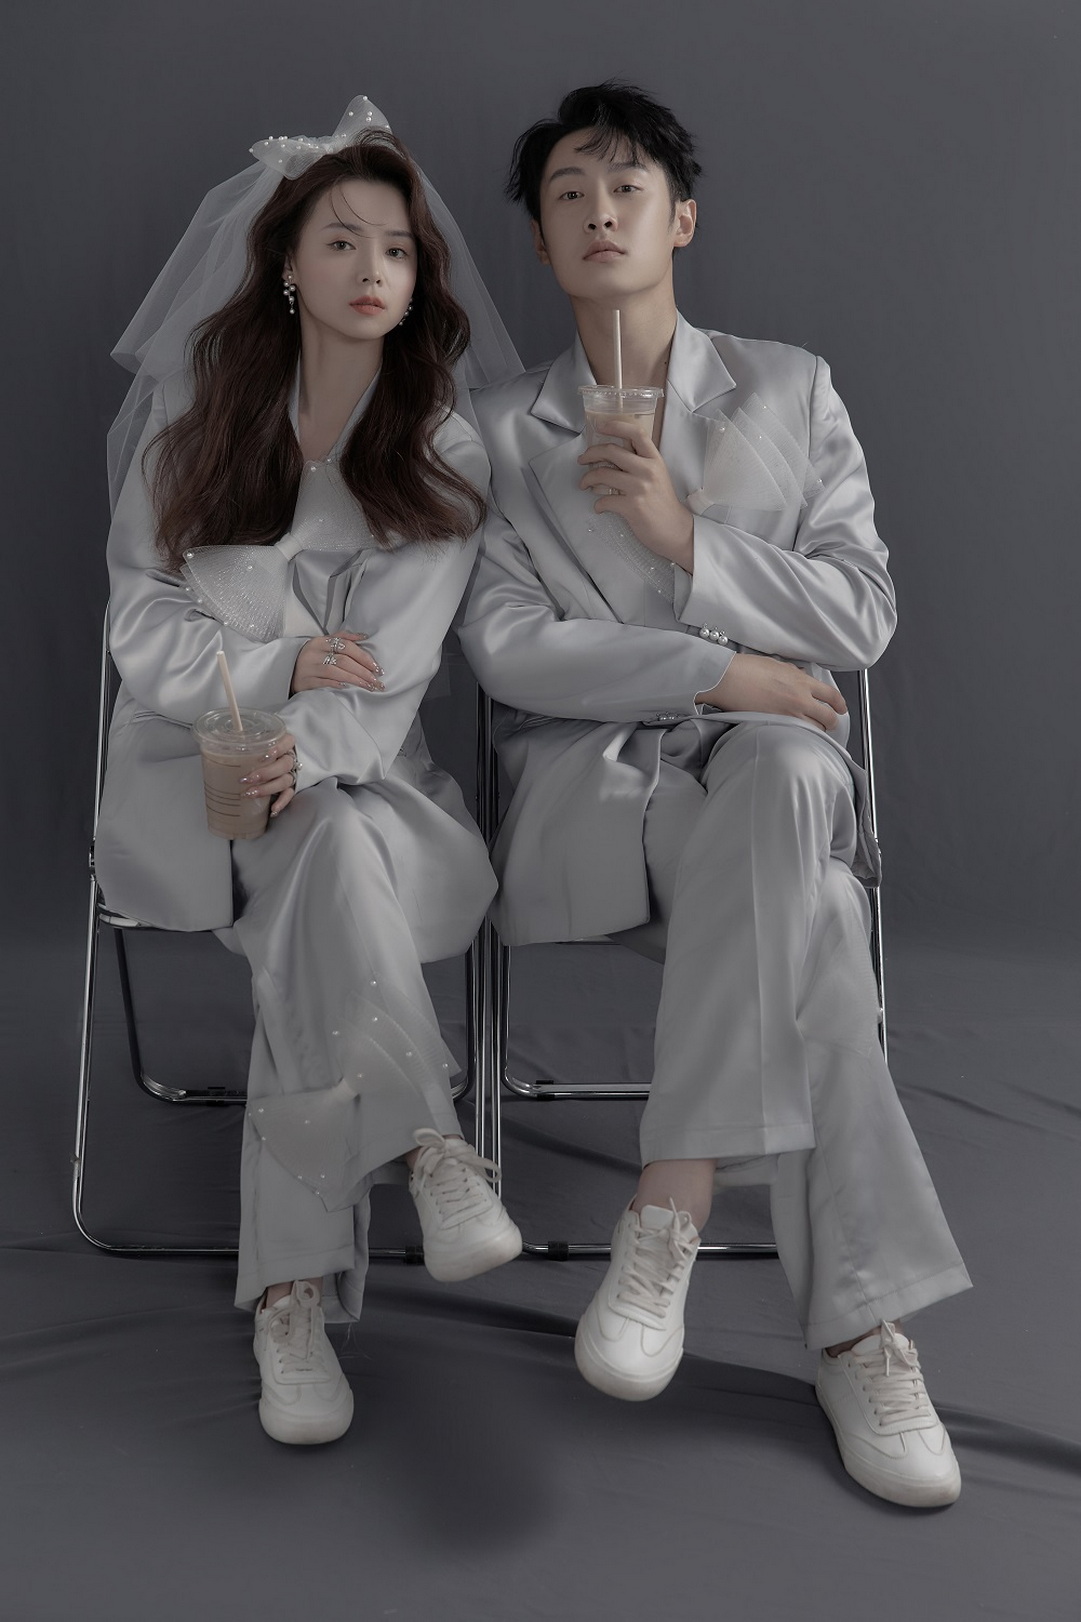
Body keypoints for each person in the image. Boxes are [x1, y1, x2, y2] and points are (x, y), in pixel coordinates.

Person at [459, 81, 971, 1508]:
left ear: (679, 217)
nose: (599, 210)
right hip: (592, 800)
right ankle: (860, 1329)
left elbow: (860, 614)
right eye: (568, 193)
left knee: (794, 774)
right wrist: (715, 668)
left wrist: (685, 538)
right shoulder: (494, 431)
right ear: (543, 239)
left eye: (626, 185)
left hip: (764, 781)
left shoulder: (789, 388)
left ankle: (669, 1206)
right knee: (814, 895)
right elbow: (505, 648)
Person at [96, 97, 523, 1446]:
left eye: (395, 248)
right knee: (321, 872)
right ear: (287, 262)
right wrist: (280, 665)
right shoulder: (198, 413)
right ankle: (430, 1140)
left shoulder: (443, 442)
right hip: (184, 764)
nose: (370, 269)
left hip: (363, 782)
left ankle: (290, 1298)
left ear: (419, 275)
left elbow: (385, 676)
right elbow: (139, 618)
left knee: (323, 854)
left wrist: (298, 748)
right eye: (340, 241)